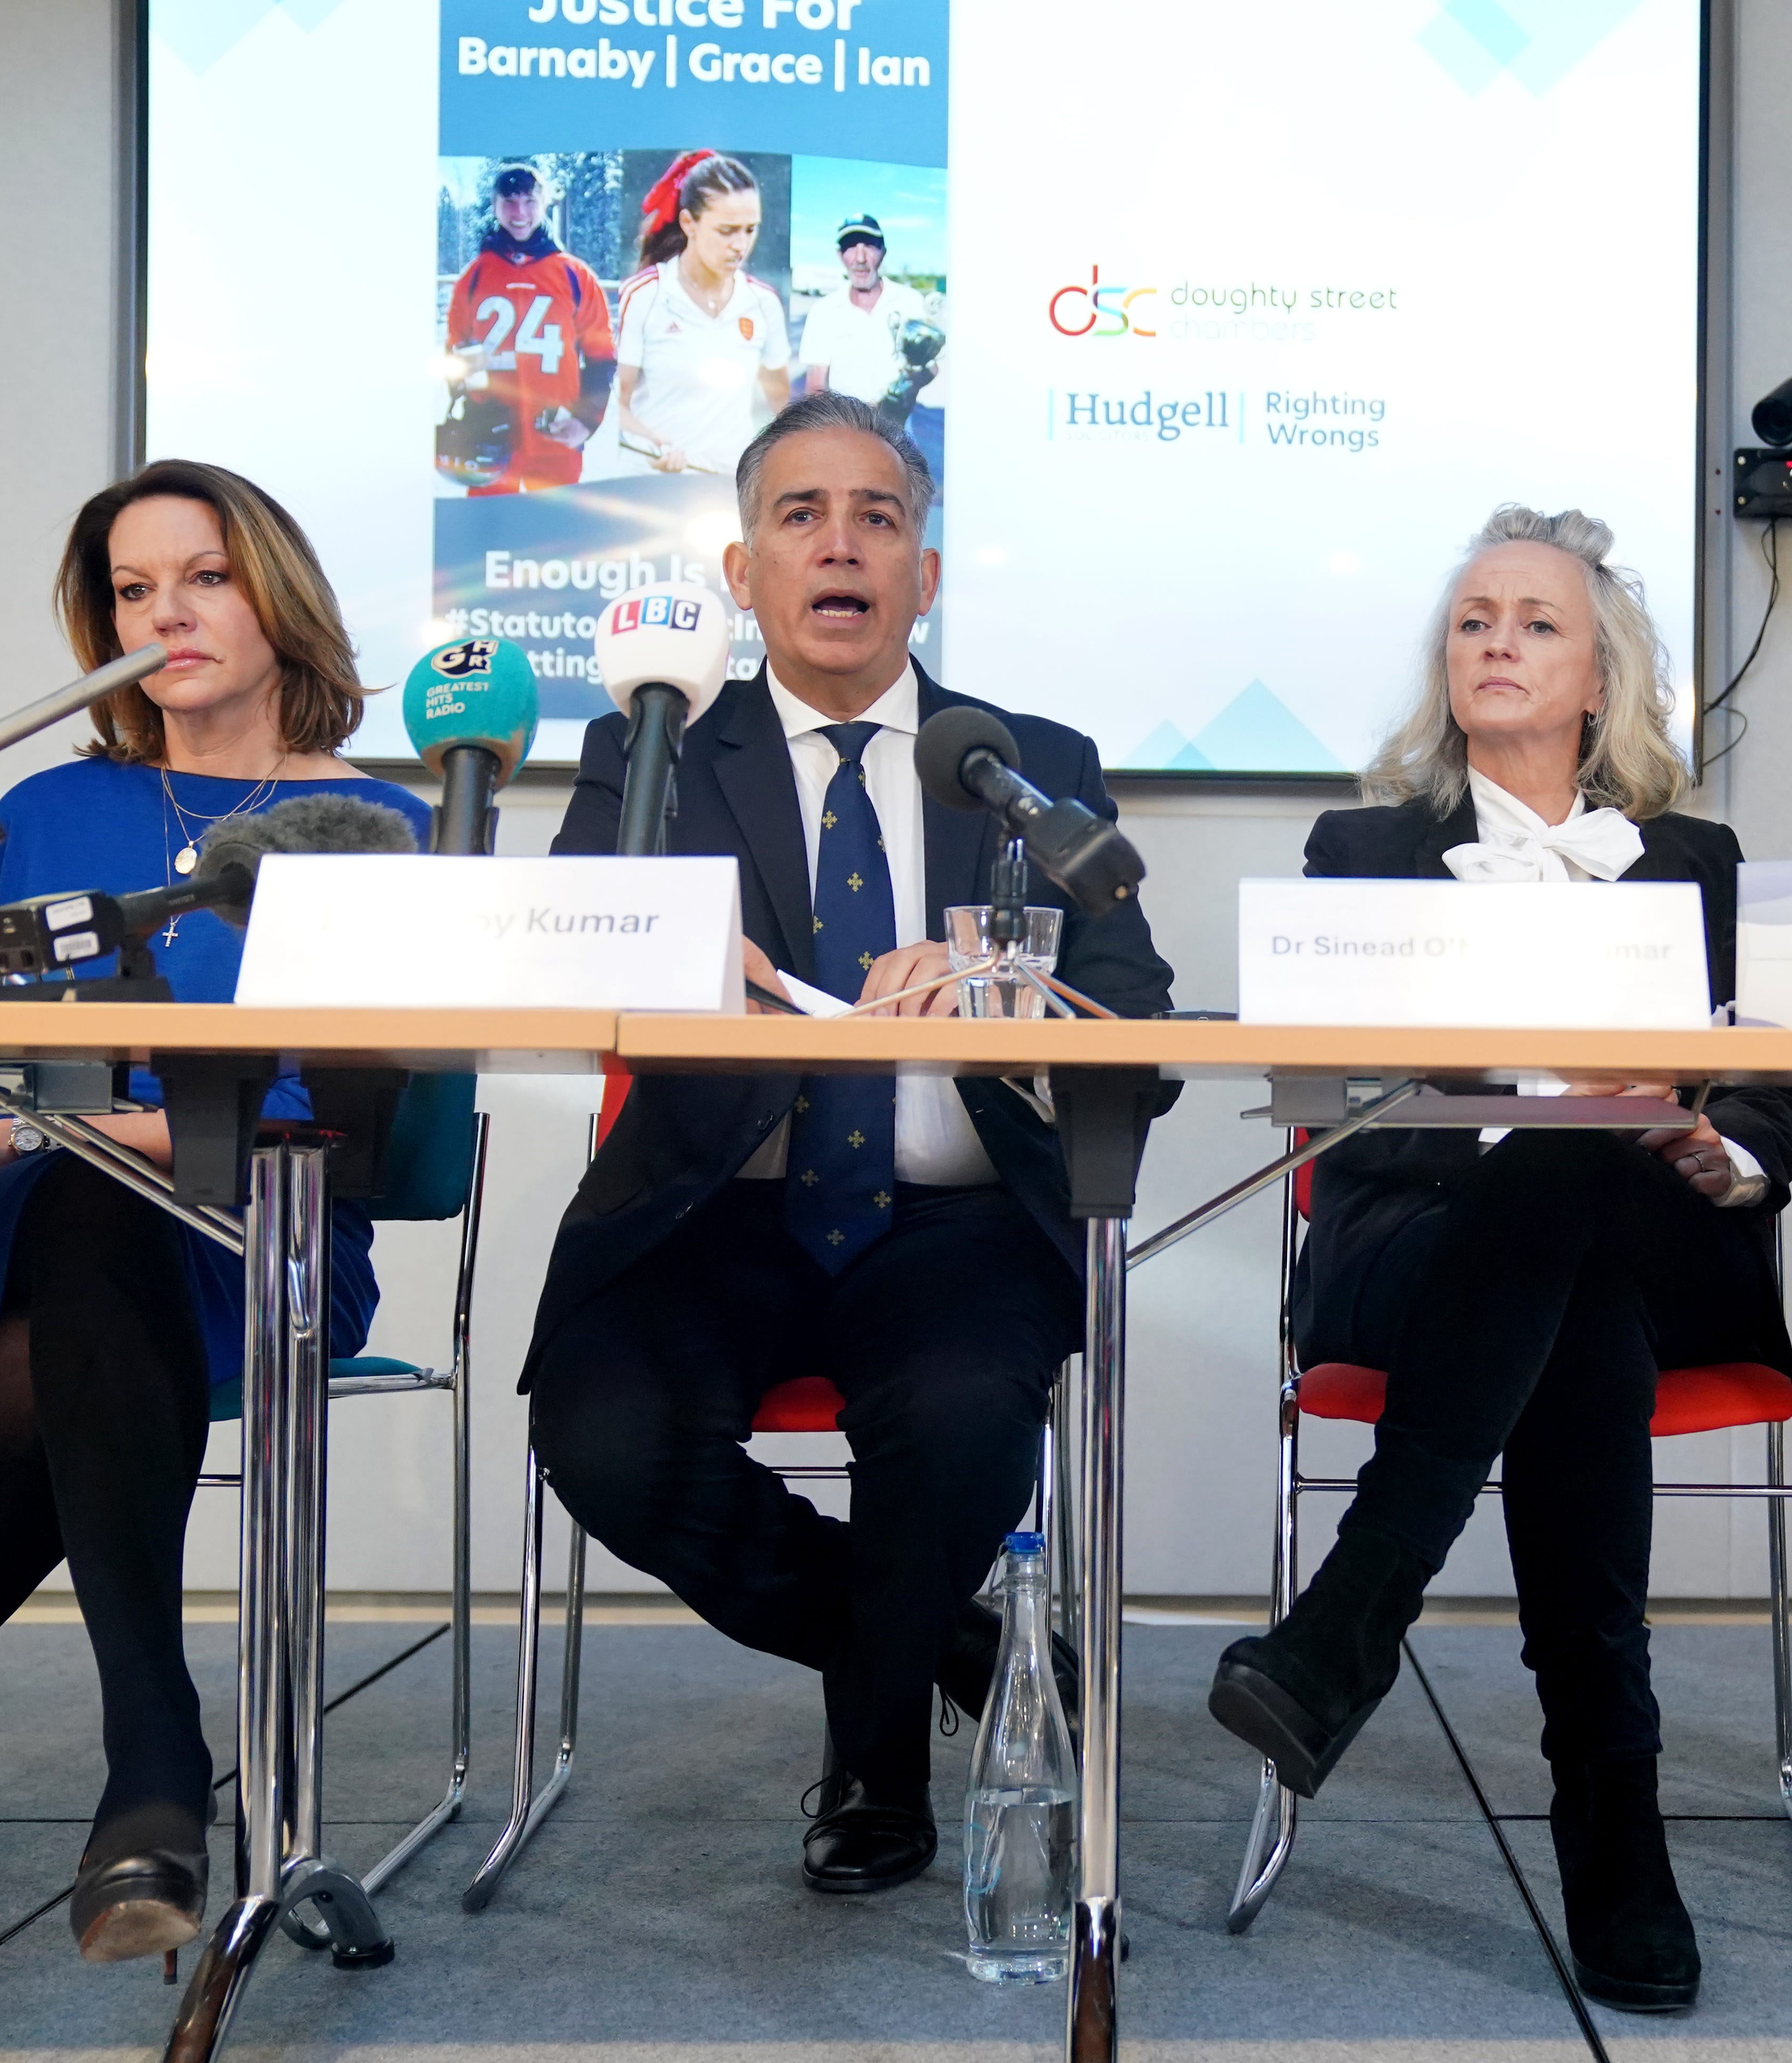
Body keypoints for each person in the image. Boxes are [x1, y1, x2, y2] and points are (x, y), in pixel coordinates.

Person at [0, 462, 431, 1958]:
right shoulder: (51, 807)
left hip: (263, 1233)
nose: (165, 613)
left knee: (93, 1230)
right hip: (28, 1223)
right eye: (133, 590)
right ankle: (154, 1766)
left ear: (275, 594)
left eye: (203, 576)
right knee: (83, 1216)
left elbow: (318, 1095)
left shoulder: (371, 821)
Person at [522, 390, 1173, 1897]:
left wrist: (1009, 1000)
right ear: (741, 574)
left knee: (956, 1426)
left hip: (952, 1224)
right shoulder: (649, 757)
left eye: (876, 516)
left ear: (923, 576)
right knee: (602, 1439)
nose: (840, 544)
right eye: (799, 515)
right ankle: (948, 1645)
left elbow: (1135, 1021)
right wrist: (679, 964)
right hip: (712, 1216)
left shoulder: (1026, 760)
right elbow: (568, 964)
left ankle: (875, 1759)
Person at [1205, 506, 1792, 2014]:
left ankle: (1353, 1618)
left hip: (1667, 1242)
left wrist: (1708, 1146)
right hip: (1415, 1243)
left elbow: (1770, 1100)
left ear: (1600, 675)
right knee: (1565, 1256)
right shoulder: (1359, 852)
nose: (1496, 641)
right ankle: (1616, 1835)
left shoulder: (1698, 860)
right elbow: (1323, 1089)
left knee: (1581, 1180)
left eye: (1535, 621)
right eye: (1473, 618)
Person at [608, 151, 790, 476]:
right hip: (652, 488)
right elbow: (612, 408)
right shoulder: (644, 296)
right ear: (689, 223)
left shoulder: (764, 302)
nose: (741, 245)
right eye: (727, 230)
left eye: (751, 230)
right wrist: (653, 443)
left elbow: (783, 410)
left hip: (728, 496)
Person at [441, 163, 616, 496]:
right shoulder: (474, 276)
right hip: (490, 439)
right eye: (509, 202)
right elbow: (455, 351)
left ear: (544, 204)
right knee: (488, 536)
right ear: (494, 206)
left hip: (554, 436)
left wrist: (586, 420)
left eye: (529, 201)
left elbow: (602, 357)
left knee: (551, 539)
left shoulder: (575, 276)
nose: (519, 212)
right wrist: (471, 403)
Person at [796, 215, 939, 440]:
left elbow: (931, 368)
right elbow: (815, 387)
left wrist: (902, 391)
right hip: (844, 435)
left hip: (898, 435)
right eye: (851, 247)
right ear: (840, 256)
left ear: (883, 252)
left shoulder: (910, 302)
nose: (860, 258)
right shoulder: (823, 311)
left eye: (870, 246)